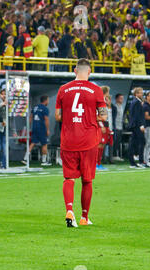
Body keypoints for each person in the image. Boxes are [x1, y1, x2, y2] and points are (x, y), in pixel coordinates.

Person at [55, 58, 107, 228]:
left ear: (75, 71)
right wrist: (90, 116)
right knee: (87, 180)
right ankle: (84, 217)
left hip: (68, 140)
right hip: (89, 141)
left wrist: (72, 118)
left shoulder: (63, 89)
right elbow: (103, 115)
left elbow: (57, 116)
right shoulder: (97, 90)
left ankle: (69, 210)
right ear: (89, 72)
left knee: (69, 178)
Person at [23, 95, 51, 166]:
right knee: (44, 144)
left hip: (34, 127)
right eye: (48, 100)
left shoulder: (35, 107)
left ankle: (25, 158)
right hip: (41, 128)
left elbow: (30, 117)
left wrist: (28, 127)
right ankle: (44, 161)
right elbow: (46, 119)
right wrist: (47, 129)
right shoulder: (45, 109)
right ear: (45, 100)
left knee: (33, 142)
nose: (48, 101)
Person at [128, 87, 146, 168]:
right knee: (140, 143)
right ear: (136, 94)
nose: (142, 94)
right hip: (137, 126)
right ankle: (140, 161)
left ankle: (134, 162)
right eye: (140, 92)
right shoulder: (136, 102)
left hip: (135, 125)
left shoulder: (136, 102)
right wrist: (141, 125)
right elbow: (136, 115)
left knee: (134, 143)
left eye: (142, 92)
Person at [96, 86, 113, 170]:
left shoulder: (103, 102)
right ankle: (96, 164)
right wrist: (101, 125)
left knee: (102, 145)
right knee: (99, 145)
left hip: (105, 125)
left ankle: (99, 163)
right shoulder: (100, 102)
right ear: (106, 92)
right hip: (101, 125)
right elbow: (97, 115)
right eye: (108, 92)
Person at [112, 93, 125, 161]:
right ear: (116, 99)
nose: (122, 100)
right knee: (115, 141)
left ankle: (116, 155)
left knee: (118, 141)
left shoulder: (121, 106)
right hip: (116, 126)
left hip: (120, 126)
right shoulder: (115, 106)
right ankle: (113, 155)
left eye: (122, 98)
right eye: (120, 98)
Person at [142, 91, 150, 167]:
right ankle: (144, 161)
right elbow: (146, 117)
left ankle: (147, 160)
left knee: (149, 144)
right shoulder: (145, 106)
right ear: (147, 97)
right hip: (148, 127)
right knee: (147, 144)